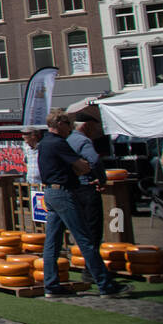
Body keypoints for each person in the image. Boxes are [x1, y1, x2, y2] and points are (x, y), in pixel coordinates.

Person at [38, 109, 129, 299]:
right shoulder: (59, 143)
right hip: (63, 193)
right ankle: (106, 285)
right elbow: (84, 165)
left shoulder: (44, 142)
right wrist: (90, 173)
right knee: (85, 239)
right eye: (68, 125)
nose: (69, 130)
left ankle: (51, 285)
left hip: (50, 192)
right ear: (61, 124)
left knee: (52, 242)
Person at [68, 113, 108, 283]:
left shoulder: (67, 140)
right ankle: (92, 271)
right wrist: (101, 178)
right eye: (95, 127)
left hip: (71, 189)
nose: (97, 131)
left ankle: (90, 269)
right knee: (93, 231)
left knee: (80, 231)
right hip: (86, 187)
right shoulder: (83, 141)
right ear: (86, 126)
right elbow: (94, 160)